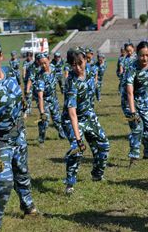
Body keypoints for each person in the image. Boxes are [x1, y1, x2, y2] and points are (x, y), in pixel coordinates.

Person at [0, 39, 45, 231]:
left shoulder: (12, 73)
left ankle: (27, 205)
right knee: (4, 181)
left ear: (0, 57)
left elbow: (19, 96)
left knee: (22, 172)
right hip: (0, 140)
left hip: (18, 134)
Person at [62, 48, 109, 195]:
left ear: (85, 60)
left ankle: (97, 174)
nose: (77, 68)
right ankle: (70, 183)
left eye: (79, 63)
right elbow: (72, 113)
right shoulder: (71, 82)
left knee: (104, 145)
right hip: (72, 120)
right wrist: (78, 139)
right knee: (77, 150)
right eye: (73, 65)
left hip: (89, 116)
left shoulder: (90, 70)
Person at [121, 41, 148, 165]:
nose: (144, 58)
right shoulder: (132, 68)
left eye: (147, 55)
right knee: (137, 128)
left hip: (143, 98)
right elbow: (129, 92)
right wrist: (133, 112)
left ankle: (147, 154)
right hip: (129, 101)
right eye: (142, 55)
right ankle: (134, 157)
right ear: (137, 54)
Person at [34, 53, 66, 145]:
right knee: (45, 121)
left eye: (45, 62)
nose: (44, 65)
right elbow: (40, 96)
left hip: (53, 98)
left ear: (48, 59)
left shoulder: (53, 68)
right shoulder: (40, 77)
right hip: (44, 100)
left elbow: (60, 77)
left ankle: (63, 135)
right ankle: (41, 140)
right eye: (41, 64)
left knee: (57, 119)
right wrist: (42, 111)